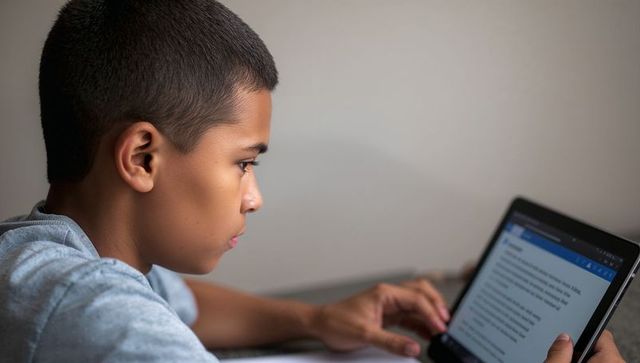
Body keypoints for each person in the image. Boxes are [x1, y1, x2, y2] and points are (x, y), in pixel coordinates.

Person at [0, 0, 624, 362]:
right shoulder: (94, 314)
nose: (254, 196)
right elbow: (139, 320)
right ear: (141, 157)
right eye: (245, 162)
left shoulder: (68, 260)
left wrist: (318, 318)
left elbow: (183, 307)